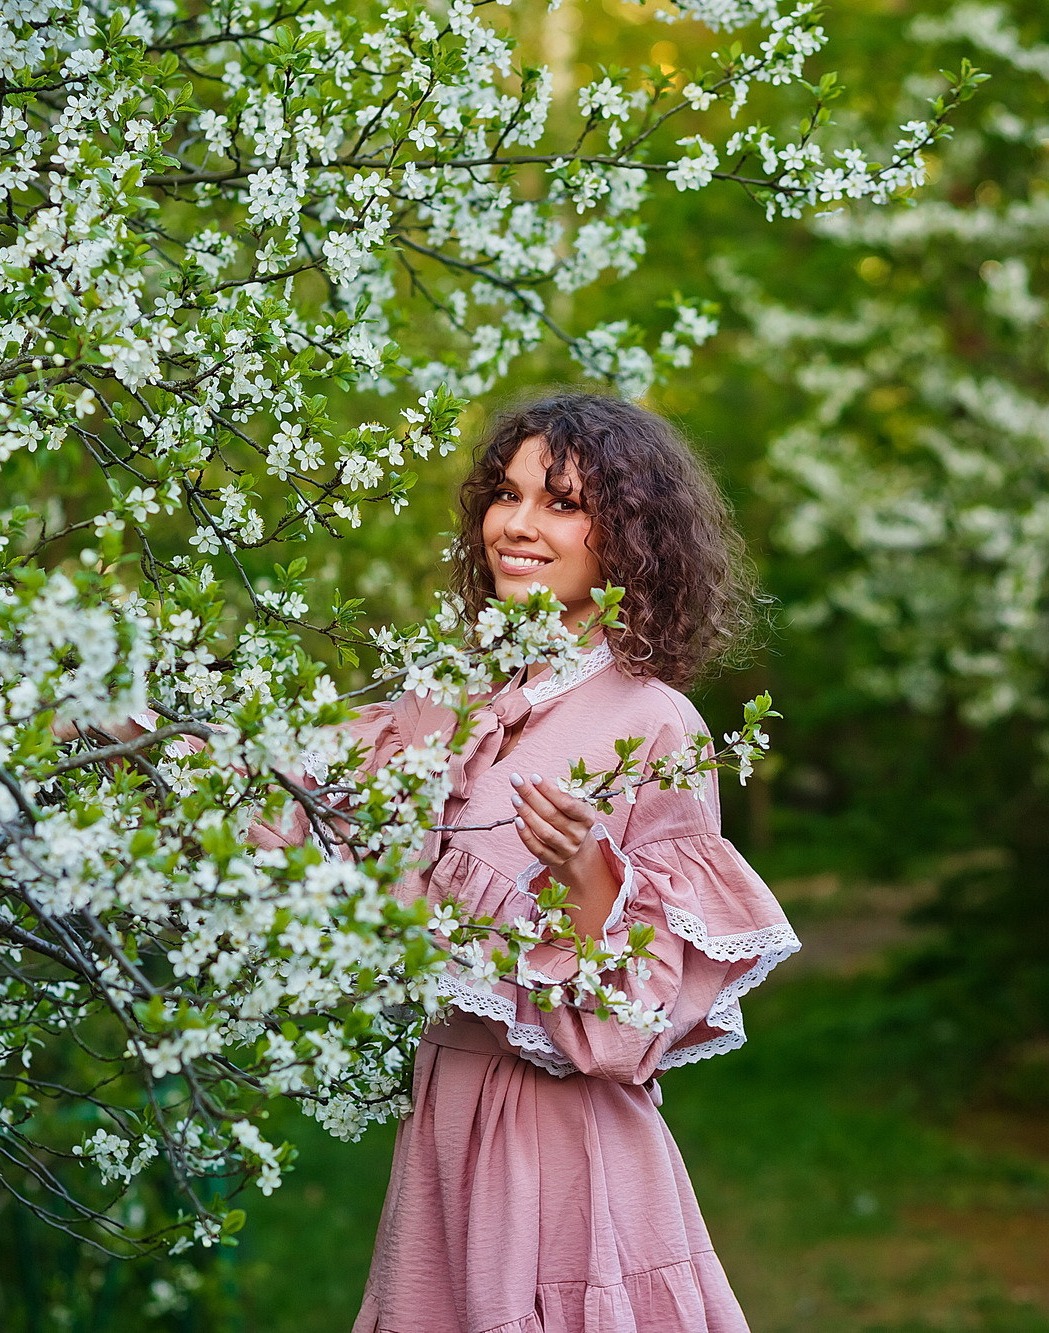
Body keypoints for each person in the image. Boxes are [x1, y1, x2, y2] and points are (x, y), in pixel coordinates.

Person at [331, 391, 799, 1333]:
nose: (519, 524)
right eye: (506, 495)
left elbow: (631, 1033)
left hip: (560, 1149)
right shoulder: (451, 696)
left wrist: (590, 877)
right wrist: (138, 734)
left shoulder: (653, 723)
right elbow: (308, 799)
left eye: (563, 503)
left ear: (627, 537)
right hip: (444, 1127)